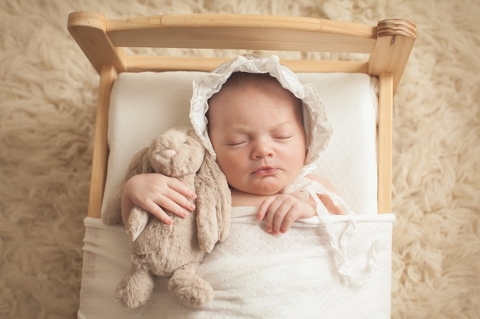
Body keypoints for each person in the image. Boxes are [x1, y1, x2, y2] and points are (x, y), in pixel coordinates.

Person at [121, 55, 346, 235]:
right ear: (211, 147)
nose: (263, 151)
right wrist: (134, 192)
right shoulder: (201, 192)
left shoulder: (310, 190)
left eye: (281, 136)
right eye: (237, 141)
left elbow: (348, 230)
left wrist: (309, 212)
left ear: (307, 140)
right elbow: (146, 238)